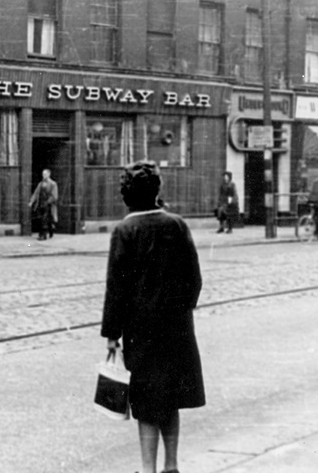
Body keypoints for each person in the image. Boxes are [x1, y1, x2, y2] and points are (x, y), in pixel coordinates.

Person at [101, 160, 205, 473]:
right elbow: (194, 279)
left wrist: (112, 334)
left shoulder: (125, 230)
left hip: (140, 331)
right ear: (156, 191)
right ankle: (171, 466)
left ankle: (148, 469)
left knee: (146, 402)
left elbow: (116, 288)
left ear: (126, 196)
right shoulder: (177, 224)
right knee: (170, 397)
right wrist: (180, 309)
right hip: (177, 328)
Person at [29, 169, 58, 240]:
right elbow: (36, 193)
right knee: (40, 219)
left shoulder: (53, 184)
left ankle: (44, 235)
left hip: (48, 205)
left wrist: (48, 202)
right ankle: (44, 232)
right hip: (40, 203)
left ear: (49, 174)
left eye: (45, 174)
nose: (43, 176)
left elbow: (54, 196)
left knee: (45, 219)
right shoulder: (40, 184)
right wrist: (31, 201)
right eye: (43, 174)